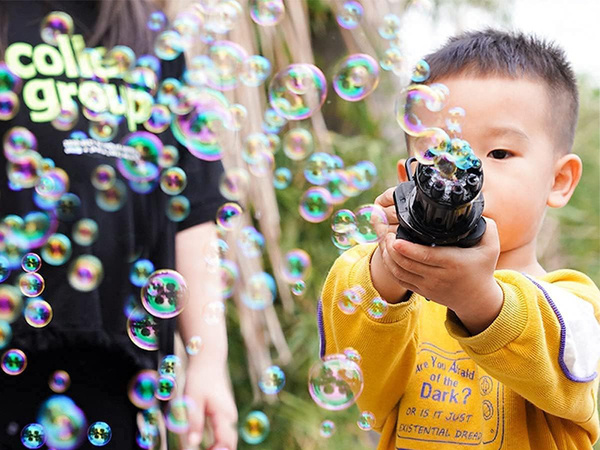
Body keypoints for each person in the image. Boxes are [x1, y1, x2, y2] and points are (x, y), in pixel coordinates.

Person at [319, 29, 600, 449]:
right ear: (410, 180)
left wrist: (478, 299)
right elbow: (362, 392)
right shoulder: (388, 289)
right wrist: (387, 272)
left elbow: (568, 376)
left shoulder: (571, 305)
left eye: (499, 154)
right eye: (439, 156)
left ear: (559, 180)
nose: (462, 173)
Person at [0, 1, 236, 449]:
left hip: (122, 369)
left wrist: (209, 363)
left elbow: (193, 209)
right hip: (12, 350)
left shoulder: (150, 34)